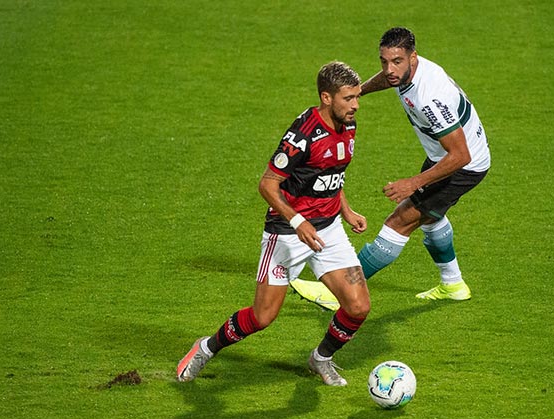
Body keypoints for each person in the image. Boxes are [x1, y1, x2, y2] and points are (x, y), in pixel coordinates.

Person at [176, 61, 370, 386]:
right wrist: (297, 222)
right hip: (286, 234)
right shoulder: (302, 136)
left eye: (357, 97)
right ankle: (206, 347)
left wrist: (346, 210)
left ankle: (321, 358)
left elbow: (332, 172)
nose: (355, 105)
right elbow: (267, 185)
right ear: (326, 97)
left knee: (358, 306)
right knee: (262, 317)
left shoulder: (347, 124)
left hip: (328, 229)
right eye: (348, 98)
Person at [291, 27, 490, 311]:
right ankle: (453, 284)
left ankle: (338, 292)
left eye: (397, 61)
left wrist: (413, 183)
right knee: (431, 218)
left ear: (413, 57)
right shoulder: (413, 71)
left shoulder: (429, 97)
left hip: (462, 165)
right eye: (384, 61)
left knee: (400, 222)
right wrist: (359, 90)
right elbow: (390, 78)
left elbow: (460, 155)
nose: (389, 69)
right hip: (444, 156)